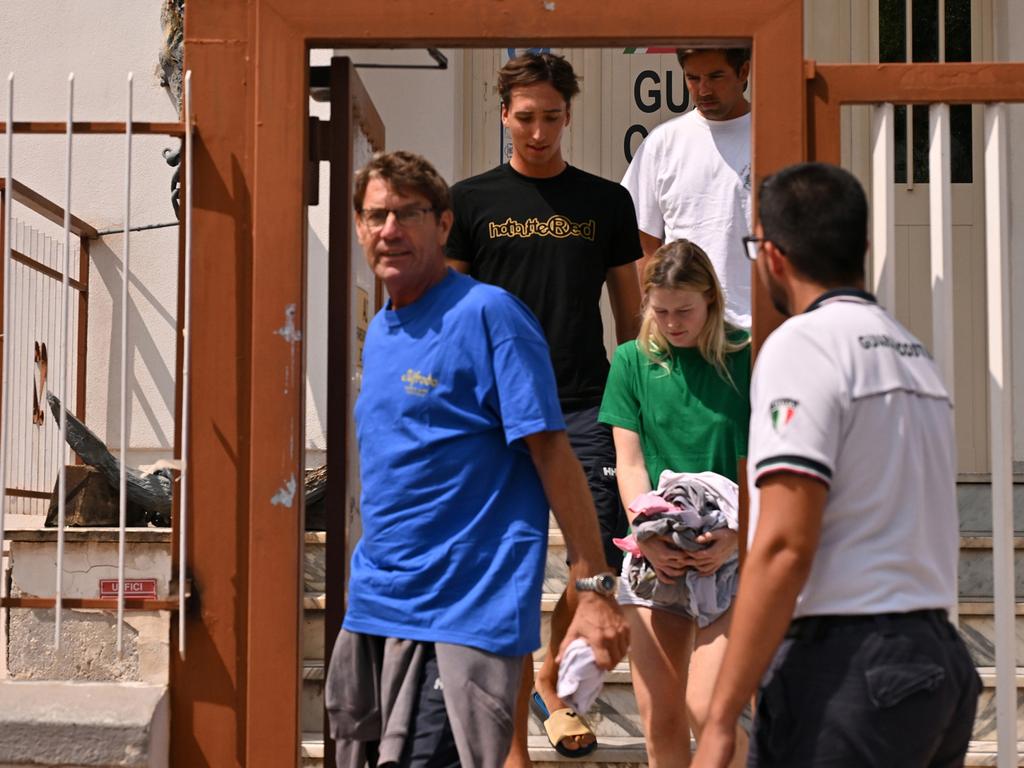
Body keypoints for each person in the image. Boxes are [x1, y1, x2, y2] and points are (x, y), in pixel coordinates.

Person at [326, 150, 629, 768]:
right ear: (357, 226)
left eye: (409, 214)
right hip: (378, 606)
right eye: (375, 214)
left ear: (444, 226)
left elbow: (554, 453)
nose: (389, 230)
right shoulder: (384, 328)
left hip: (459, 614)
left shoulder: (489, 315)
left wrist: (593, 585)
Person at [692, 162, 982, 768]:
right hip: (936, 660)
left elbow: (784, 544)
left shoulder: (804, 345)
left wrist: (721, 717)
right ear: (863, 247)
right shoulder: (911, 351)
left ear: (772, 254)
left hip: (850, 664)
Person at [445, 51, 643, 761]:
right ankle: (512, 740)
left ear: (569, 115)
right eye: (525, 118)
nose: (537, 132)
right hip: (495, 414)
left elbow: (631, 320)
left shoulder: (606, 202)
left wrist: (639, 407)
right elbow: (453, 321)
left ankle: (550, 685)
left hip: (586, 404)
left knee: (597, 563)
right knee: (506, 568)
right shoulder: (469, 202)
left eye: (551, 117)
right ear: (504, 114)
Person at [598, 240, 750, 767]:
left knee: (708, 711)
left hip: (729, 552)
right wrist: (649, 536)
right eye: (659, 311)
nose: (671, 322)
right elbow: (630, 460)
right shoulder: (631, 360)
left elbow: (762, 465)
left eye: (684, 310)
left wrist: (737, 538)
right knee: (659, 715)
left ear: (710, 298)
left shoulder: (747, 356)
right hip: (655, 548)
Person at [621, 47, 752, 328]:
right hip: (681, 333)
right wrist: (658, 316)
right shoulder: (663, 142)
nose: (703, 89)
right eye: (693, 78)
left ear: (744, 71)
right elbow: (644, 243)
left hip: (754, 332)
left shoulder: (774, 137)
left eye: (716, 76)